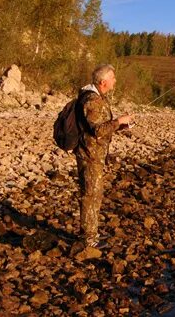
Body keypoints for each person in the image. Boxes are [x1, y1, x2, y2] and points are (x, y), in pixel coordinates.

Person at [75, 64, 133, 247]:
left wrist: (120, 125)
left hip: (95, 154)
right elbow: (98, 131)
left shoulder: (98, 98)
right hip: (90, 155)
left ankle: (92, 235)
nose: (115, 81)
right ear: (103, 82)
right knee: (90, 195)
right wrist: (118, 121)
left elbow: (101, 127)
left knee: (95, 194)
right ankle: (89, 239)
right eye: (113, 78)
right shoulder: (93, 100)